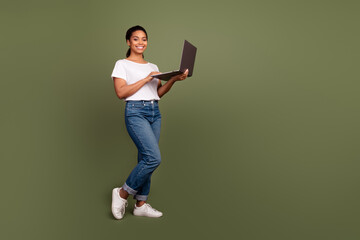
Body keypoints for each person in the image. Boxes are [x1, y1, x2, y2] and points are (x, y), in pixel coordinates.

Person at [110, 25, 188, 219]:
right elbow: (121, 93)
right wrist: (145, 80)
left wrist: (174, 80)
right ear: (128, 42)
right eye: (136, 39)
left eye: (144, 39)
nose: (140, 42)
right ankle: (121, 193)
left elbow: (158, 93)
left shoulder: (153, 67)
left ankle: (140, 204)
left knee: (145, 158)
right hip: (135, 112)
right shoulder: (122, 64)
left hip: (154, 112)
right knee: (153, 158)